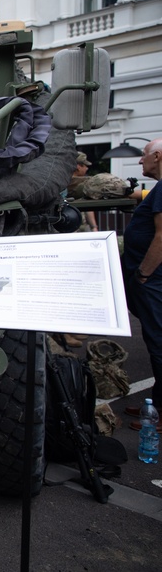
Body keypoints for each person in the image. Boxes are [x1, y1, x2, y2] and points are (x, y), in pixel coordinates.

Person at [123, 137, 162, 426]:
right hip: (154, 279)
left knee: (159, 343)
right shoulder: (158, 189)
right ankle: (157, 405)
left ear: (158, 157)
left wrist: (143, 274)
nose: (140, 160)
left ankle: (160, 415)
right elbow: (145, 197)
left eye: (144, 155)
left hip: (153, 280)